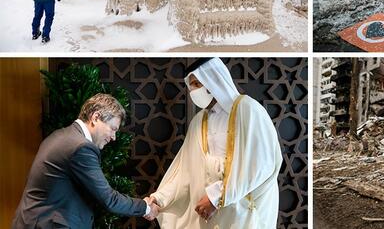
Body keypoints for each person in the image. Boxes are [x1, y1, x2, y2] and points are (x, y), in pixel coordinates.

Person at [148, 57, 282, 228]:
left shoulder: (248, 109)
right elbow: (185, 170)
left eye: (197, 84)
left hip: (239, 212)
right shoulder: (198, 121)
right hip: (206, 214)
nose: (193, 91)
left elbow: (261, 164)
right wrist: (159, 198)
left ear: (213, 80)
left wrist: (216, 197)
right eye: (190, 86)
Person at [12, 93, 158, 228]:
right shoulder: (80, 147)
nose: (113, 137)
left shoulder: (61, 135)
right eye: (112, 128)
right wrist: (145, 207)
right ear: (95, 118)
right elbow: (108, 199)